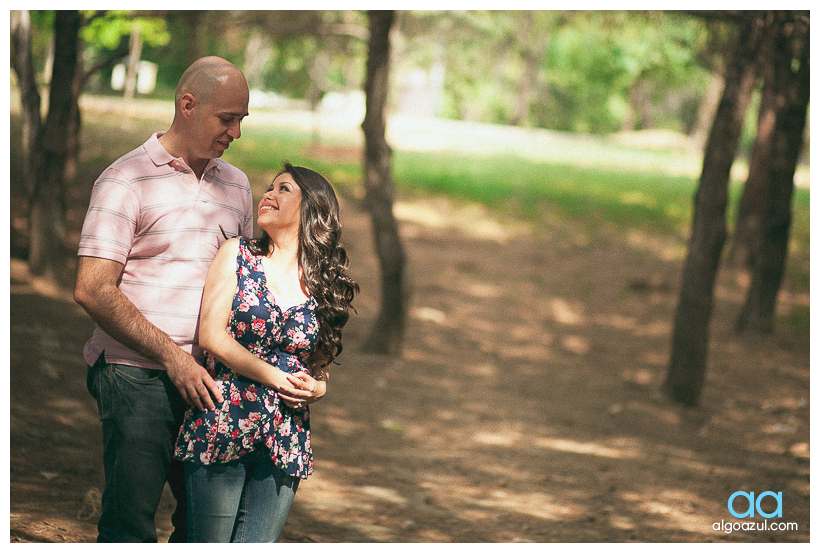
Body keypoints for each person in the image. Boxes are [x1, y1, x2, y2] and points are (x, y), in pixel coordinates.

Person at [74, 56, 314, 543]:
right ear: (187, 105)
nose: (237, 133)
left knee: (202, 529)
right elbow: (92, 288)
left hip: (212, 382)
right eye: (228, 119)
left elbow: (250, 281)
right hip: (135, 375)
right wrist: (172, 357)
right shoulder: (125, 180)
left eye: (242, 120)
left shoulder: (237, 185)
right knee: (131, 524)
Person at [173, 163, 358, 542]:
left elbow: (320, 369)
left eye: (284, 189)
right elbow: (211, 335)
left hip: (285, 437)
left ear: (311, 211)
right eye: (269, 187)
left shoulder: (323, 285)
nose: (268, 195)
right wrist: (274, 377)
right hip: (224, 420)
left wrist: (316, 390)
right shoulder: (238, 255)